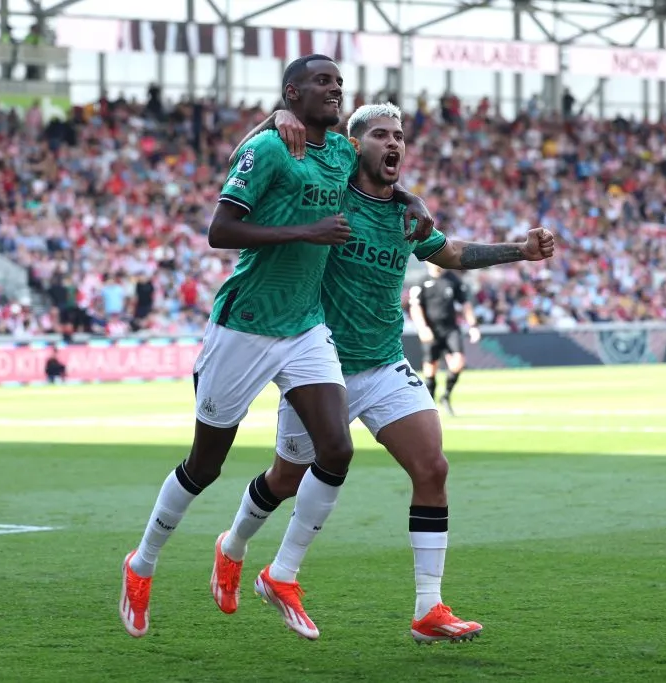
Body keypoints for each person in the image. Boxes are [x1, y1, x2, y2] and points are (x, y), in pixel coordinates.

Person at [210, 103, 555, 643]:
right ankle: (233, 546)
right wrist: (276, 118)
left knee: (432, 468)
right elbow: (247, 162)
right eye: (379, 134)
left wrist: (519, 250)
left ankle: (428, 609)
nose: (393, 143)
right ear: (352, 145)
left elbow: (451, 252)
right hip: (319, 365)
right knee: (286, 477)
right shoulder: (328, 192)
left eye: (399, 135)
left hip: (385, 363)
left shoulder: (405, 214)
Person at [118, 54, 434, 640]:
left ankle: (281, 575)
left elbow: (376, 177)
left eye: (339, 83)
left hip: (306, 328)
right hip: (244, 324)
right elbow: (220, 231)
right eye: (322, 82)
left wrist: (411, 200)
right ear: (293, 92)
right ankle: (142, 563)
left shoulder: (340, 151)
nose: (335, 89)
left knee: (335, 450)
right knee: (204, 465)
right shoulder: (267, 149)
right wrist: (303, 226)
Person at [409, 263, 480, 416]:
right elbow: (415, 307)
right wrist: (422, 327)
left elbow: (465, 304)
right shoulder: (421, 281)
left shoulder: (452, 279)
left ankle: (446, 395)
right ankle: (430, 403)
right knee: (430, 368)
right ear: (428, 262)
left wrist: (473, 326)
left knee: (458, 361)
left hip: (450, 329)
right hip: (431, 330)